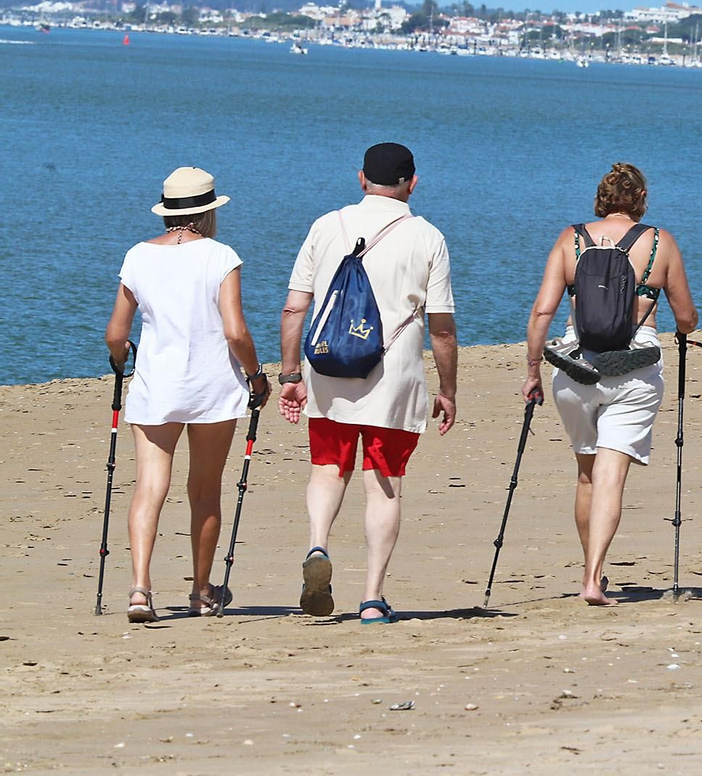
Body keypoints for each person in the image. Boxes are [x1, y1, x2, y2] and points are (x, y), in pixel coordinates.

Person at [278, 143, 457, 624]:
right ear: (412, 183)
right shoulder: (427, 237)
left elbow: (295, 307)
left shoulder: (325, 225)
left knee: (327, 466)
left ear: (361, 179)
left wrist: (292, 374)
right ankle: (373, 598)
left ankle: (318, 543)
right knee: (384, 482)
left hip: (329, 366)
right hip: (393, 374)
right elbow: (441, 328)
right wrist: (448, 388)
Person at [523, 163, 697, 606]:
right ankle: (593, 577)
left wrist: (532, 371)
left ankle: (591, 573)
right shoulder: (660, 243)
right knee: (610, 477)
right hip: (634, 370)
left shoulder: (571, 239)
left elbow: (543, 311)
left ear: (601, 198)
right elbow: (685, 318)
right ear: (641, 199)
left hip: (576, 368)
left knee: (587, 475)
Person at [105, 167, 270, 622]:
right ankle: (201, 592)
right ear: (208, 213)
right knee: (205, 491)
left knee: (149, 487)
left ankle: (140, 589)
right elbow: (235, 332)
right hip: (213, 387)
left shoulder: (138, 256)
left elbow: (116, 334)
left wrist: (122, 362)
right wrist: (257, 377)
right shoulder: (220, 256)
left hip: (157, 385)